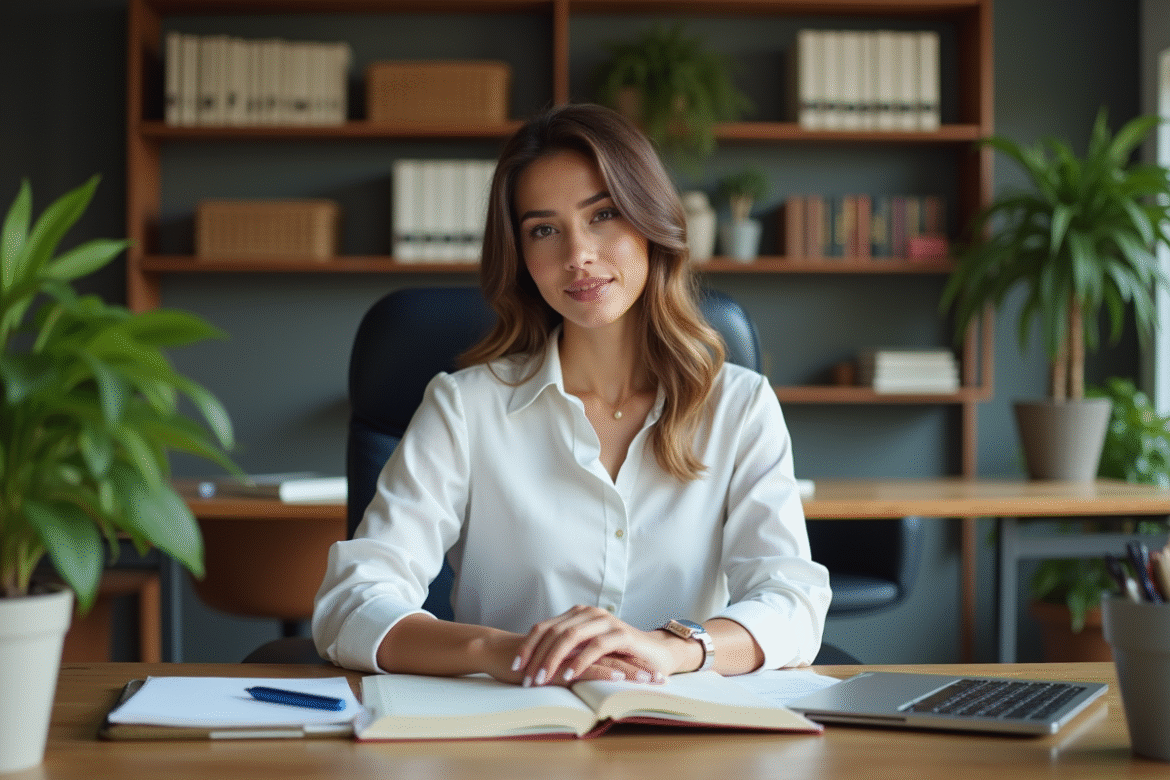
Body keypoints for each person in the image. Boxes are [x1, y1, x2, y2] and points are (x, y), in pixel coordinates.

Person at [312, 103, 830, 687]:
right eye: (544, 230)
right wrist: (504, 651)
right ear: (522, 256)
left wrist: (669, 648)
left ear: (649, 219)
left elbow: (793, 601)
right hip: (511, 733)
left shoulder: (738, 407)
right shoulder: (466, 407)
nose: (578, 255)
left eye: (603, 214)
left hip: (683, 736)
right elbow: (351, 604)